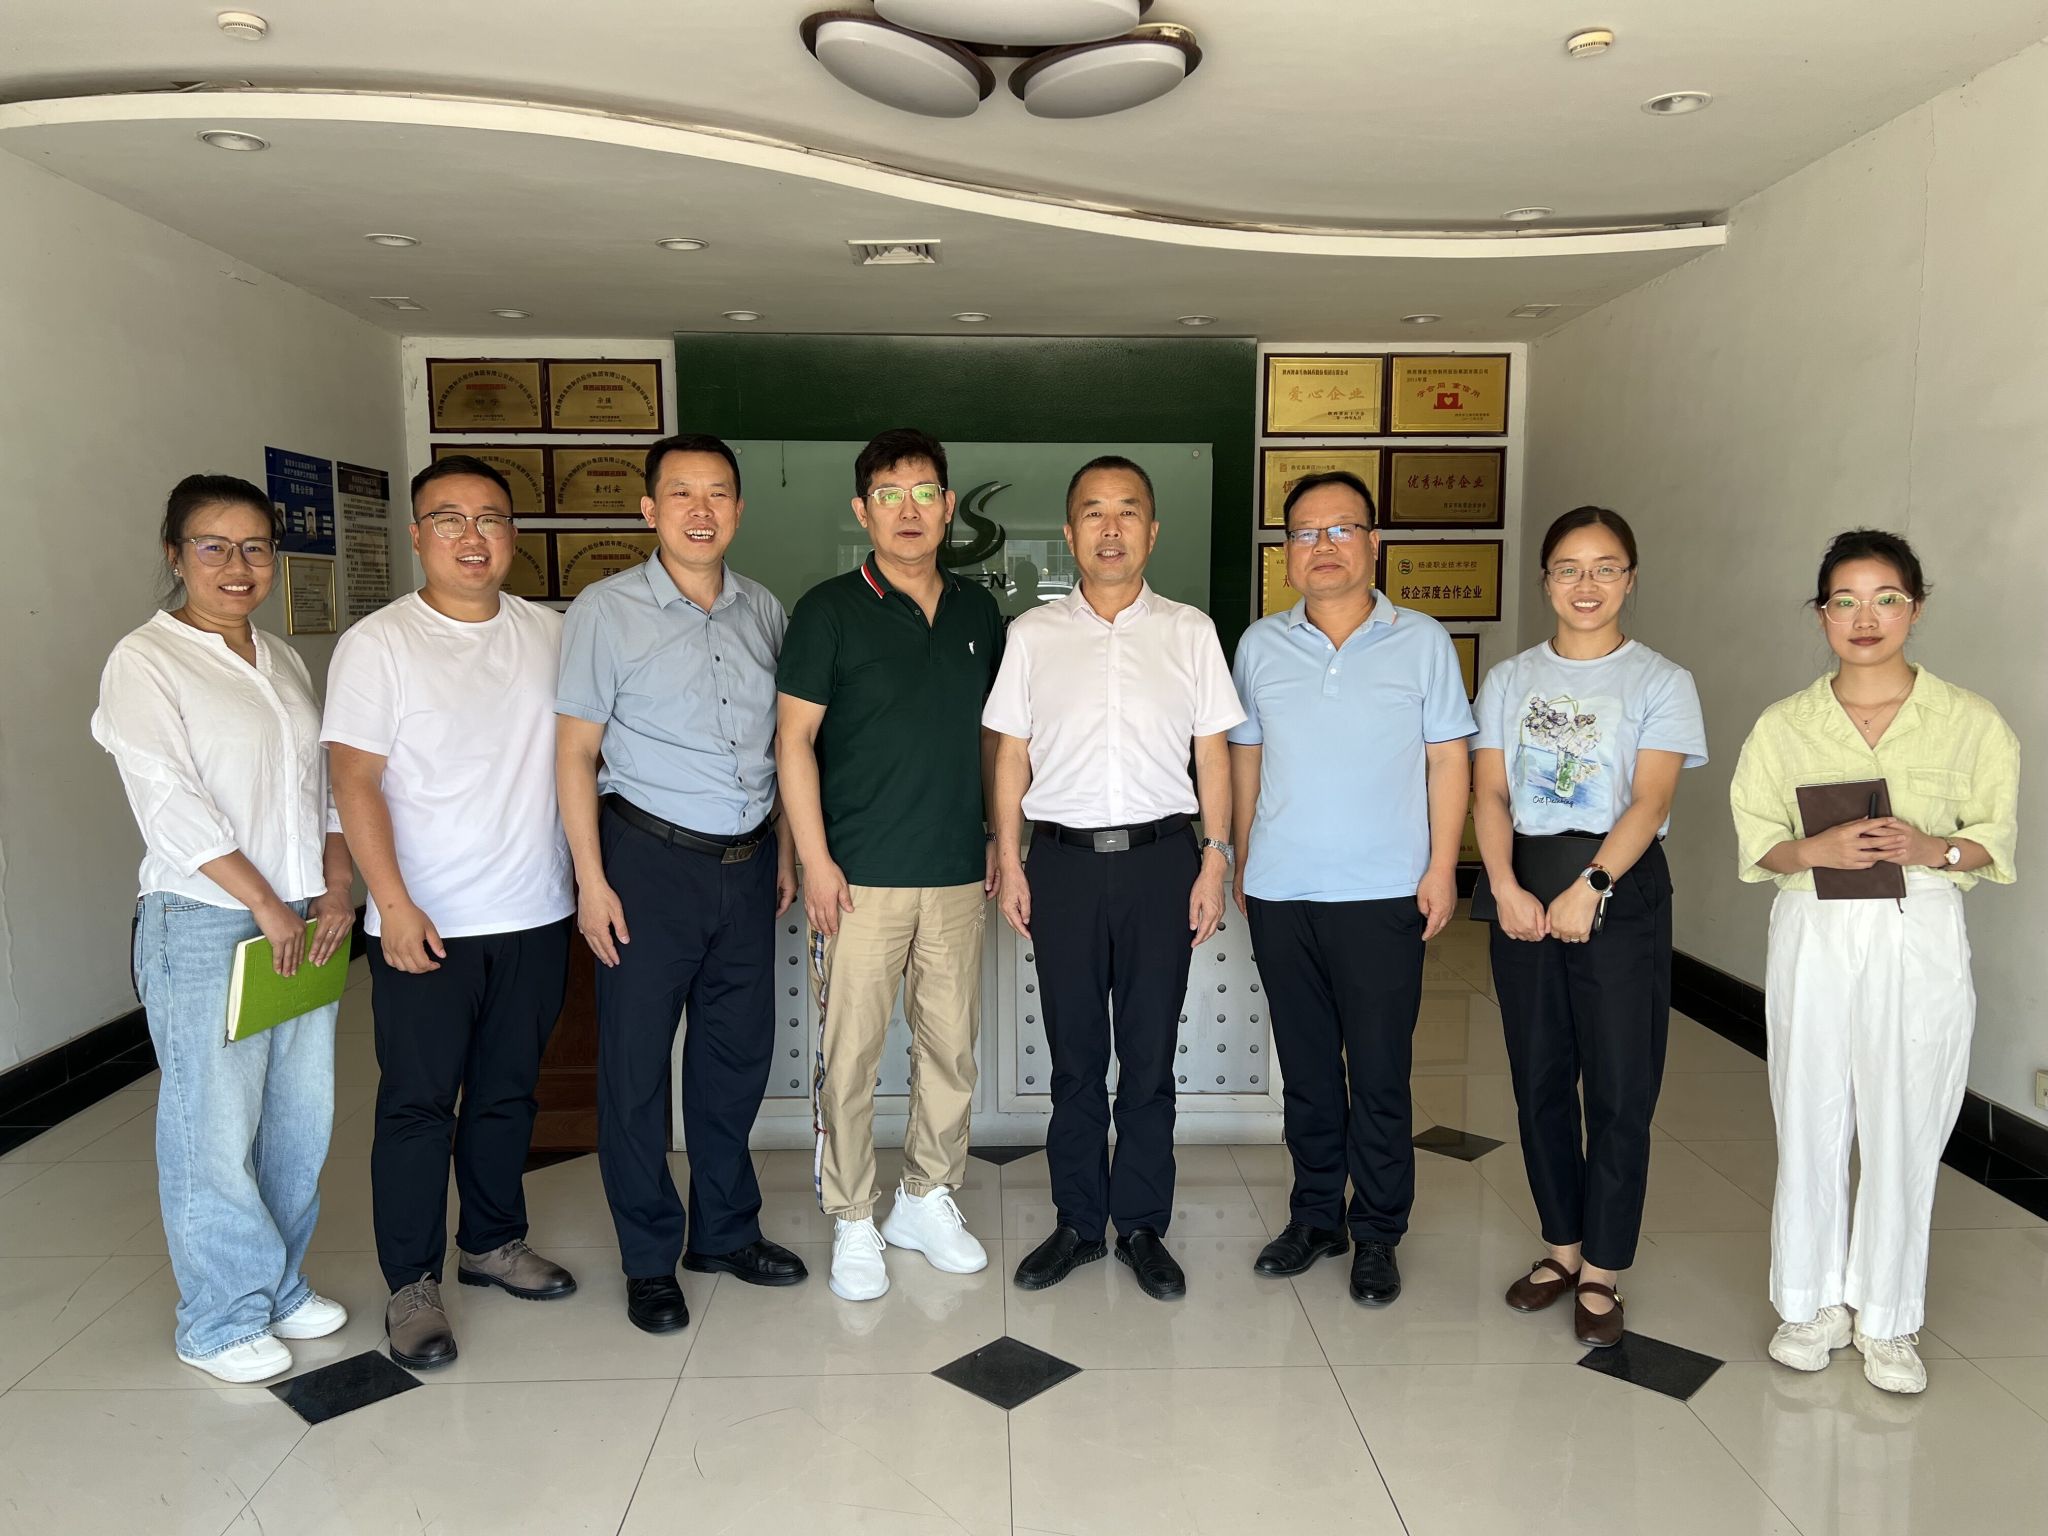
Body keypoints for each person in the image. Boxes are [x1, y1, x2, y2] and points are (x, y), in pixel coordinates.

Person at [1731, 528, 2018, 1394]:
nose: (1866, 618)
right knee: (1810, 1110)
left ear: (1915, 608)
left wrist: (1934, 846)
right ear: (1822, 614)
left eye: (1886, 598)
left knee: (1906, 1118)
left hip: (1917, 925)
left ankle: (1889, 1317)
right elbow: (1758, 843)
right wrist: (1813, 849)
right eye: (1845, 601)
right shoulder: (1785, 724)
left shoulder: (1970, 721)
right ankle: (1810, 1303)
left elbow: (1993, 840)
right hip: (1815, 923)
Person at [91, 474, 354, 1383]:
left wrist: (336, 884)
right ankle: (217, 1317)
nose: (238, 565)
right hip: (207, 923)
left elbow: (319, 788)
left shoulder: (278, 658)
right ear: (176, 555)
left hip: (306, 916)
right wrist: (267, 904)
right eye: (214, 546)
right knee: (212, 1123)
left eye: (255, 547)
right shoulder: (145, 660)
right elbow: (171, 803)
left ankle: (276, 1285)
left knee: (298, 1116)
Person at [324, 456, 578, 1370]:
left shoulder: (551, 634)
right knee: (418, 1106)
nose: (473, 538)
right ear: (417, 534)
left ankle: (493, 1243)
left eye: (491, 519)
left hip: (534, 911)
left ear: (512, 534)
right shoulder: (380, 643)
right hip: (423, 921)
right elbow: (353, 779)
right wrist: (388, 905)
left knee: (509, 1093)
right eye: (450, 520)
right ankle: (411, 1284)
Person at [556, 433, 807, 1335]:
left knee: (733, 1061)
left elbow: (784, 746)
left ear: (738, 509)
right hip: (647, 865)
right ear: (649, 510)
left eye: (718, 494)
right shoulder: (605, 610)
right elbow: (575, 754)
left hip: (747, 866)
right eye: (681, 493)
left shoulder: (762, 609)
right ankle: (648, 1257)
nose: (701, 511)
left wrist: (785, 850)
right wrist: (591, 881)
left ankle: (726, 1233)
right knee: (634, 1071)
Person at [984, 455, 1242, 1301]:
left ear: (1151, 531)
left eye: (1127, 511)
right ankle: (1076, 1221)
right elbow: (1011, 753)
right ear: (1070, 533)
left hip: (1163, 862)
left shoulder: (1190, 632)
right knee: (1074, 1057)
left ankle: (1140, 1226)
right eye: (1093, 512)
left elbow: (1213, 753)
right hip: (1059, 864)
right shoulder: (1033, 636)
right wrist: (1010, 856)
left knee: (1148, 1054)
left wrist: (1215, 857)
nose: (1110, 528)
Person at [1228, 471, 1474, 1307]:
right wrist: (1242, 858)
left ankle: (1377, 1230)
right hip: (1282, 889)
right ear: (1286, 552)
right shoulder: (1260, 645)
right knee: (1304, 1070)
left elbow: (1448, 759)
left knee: (1378, 1073)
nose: (1323, 546)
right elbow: (1247, 757)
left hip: (1383, 892)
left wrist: (1441, 867)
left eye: (1341, 528)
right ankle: (1314, 1218)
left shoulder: (1422, 641)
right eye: (1305, 532)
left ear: (1374, 543)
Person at [776, 428, 1005, 1302]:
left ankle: (925, 1197)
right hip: (858, 878)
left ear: (949, 508)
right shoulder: (828, 610)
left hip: (954, 873)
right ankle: (851, 1216)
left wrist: (999, 835)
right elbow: (793, 741)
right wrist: (816, 860)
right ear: (861, 510)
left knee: (951, 1052)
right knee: (852, 1058)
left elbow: (994, 741)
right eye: (888, 495)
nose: (908, 511)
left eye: (924, 493)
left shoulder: (979, 612)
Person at [1472, 507, 1706, 1347]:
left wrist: (1593, 884)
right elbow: (1490, 792)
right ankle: (1561, 1249)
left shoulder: (1661, 681)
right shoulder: (1508, 680)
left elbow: (1652, 798)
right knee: (1538, 1078)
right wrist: (1502, 883)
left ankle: (1603, 1267)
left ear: (1629, 580)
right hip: (1524, 883)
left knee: (1619, 1084)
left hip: (1620, 883)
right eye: (1569, 568)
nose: (1586, 584)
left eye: (1606, 568)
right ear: (1546, 581)